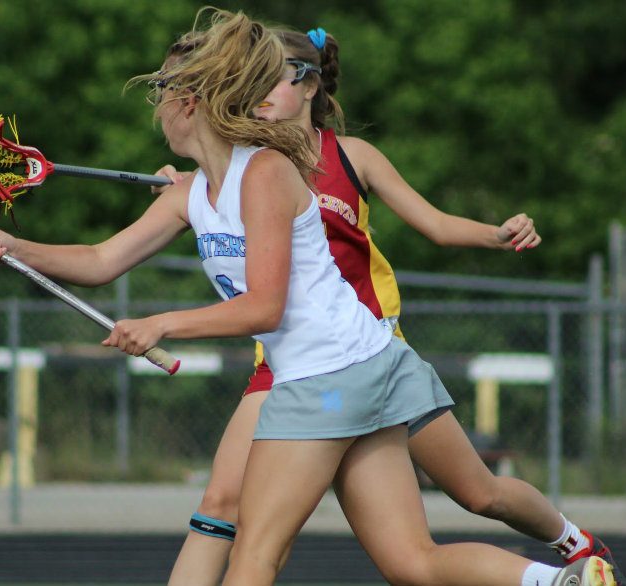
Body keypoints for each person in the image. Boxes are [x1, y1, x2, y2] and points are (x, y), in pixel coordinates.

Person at [0, 8, 616, 586]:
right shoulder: (192, 191)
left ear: (188, 102)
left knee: (252, 562)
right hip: (356, 369)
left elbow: (263, 309)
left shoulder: (265, 173)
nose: (154, 105)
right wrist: (12, 246)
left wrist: (162, 322)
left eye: (159, 92)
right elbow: (101, 260)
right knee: (412, 565)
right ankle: (564, 582)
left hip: (326, 378)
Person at [161, 24, 624, 586]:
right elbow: (214, 203)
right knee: (225, 501)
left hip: (373, 352)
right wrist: (193, 179)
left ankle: (575, 546)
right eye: (250, 81)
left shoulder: (349, 156)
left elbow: (434, 224)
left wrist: (495, 233)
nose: (258, 93)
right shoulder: (245, 164)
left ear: (309, 87)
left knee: (481, 494)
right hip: (292, 363)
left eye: (272, 80)